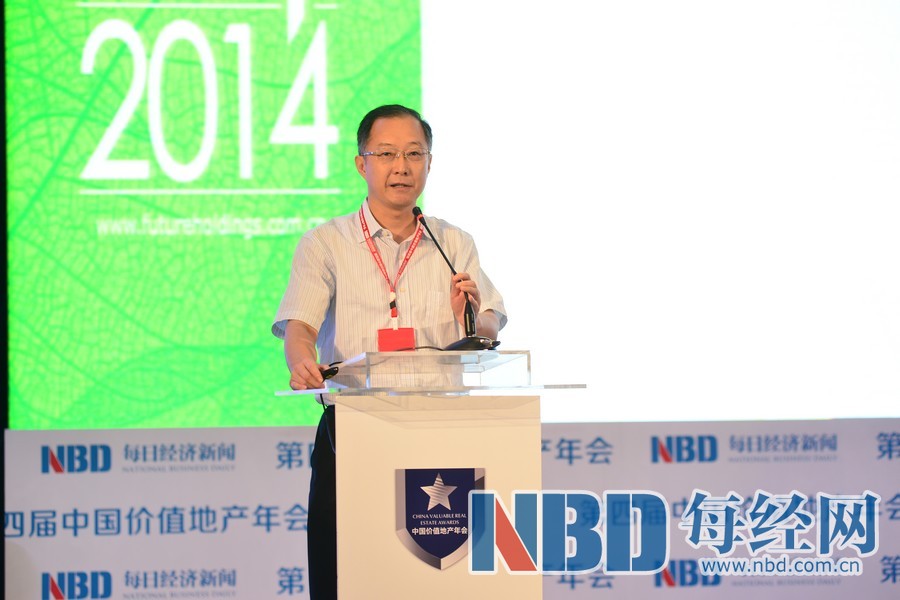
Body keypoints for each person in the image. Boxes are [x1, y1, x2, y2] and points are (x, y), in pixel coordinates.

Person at [271, 104, 506, 600]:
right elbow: (300, 324)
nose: (402, 166)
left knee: (437, 581)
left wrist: (473, 316)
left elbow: (488, 322)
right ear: (362, 164)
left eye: (414, 154)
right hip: (354, 430)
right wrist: (301, 361)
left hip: (440, 433)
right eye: (387, 154)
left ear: (429, 163)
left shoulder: (453, 242)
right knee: (344, 576)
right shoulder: (326, 244)